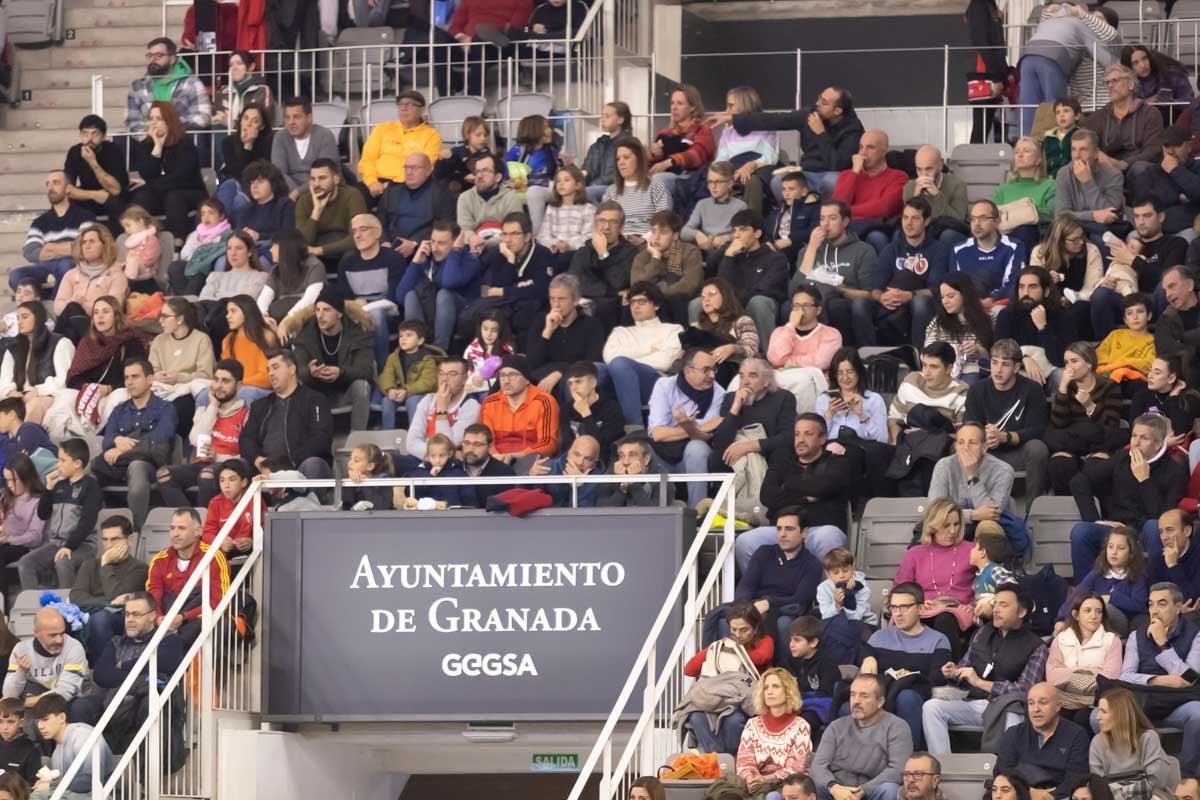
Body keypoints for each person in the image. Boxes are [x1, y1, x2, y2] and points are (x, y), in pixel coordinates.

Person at [921, 583, 1048, 755]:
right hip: (974, 703)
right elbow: (965, 667)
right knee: (932, 707)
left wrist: (981, 683)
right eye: (995, 604)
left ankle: (1007, 772)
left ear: (1021, 612)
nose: (996, 609)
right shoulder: (983, 633)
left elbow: (1026, 689)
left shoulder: (1036, 646)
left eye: (1003, 605)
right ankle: (943, 767)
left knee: (1014, 711)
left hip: (1006, 707)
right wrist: (954, 672)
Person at [1068, 415, 1188, 581]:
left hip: (1148, 531)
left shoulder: (1175, 470)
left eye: (1144, 438)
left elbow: (1164, 518)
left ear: (1158, 444)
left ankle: (1156, 589)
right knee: (1081, 531)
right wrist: (1095, 520)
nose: (1136, 442)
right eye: (1134, 436)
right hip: (1118, 528)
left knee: (1154, 527)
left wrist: (1145, 481)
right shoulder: (1122, 458)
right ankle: (1085, 595)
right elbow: (1079, 481)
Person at [735, 415, 852, 571]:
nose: (801, 439)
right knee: (745, 541)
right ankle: (764, 592)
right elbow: (768, 496)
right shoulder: (783, 463)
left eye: (808, 434)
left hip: (819, 529)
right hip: (782, 531)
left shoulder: (837, 462)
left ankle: (824, 594)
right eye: (797, 434)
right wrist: (806, 496)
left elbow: (823, 487)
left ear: (822, 438)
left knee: (828, 537)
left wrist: (787, 487)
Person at [713, 84, 862, 201]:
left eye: (824, 103)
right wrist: (734, 119)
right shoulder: (810, 114)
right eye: (819, 98)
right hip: (807, 171)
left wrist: (821, 134)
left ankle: (827, 219)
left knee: (832, 183)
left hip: (832, 173)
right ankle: (790, 218)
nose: (817, 103)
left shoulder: (853, 130)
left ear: (837, 111)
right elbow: (777, 120)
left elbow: (837, 164)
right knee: (778, 182)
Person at [1111, 582, 1200, 774]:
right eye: (1151, 605)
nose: (1155, 611)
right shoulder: (1137, 635)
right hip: (1143, 703)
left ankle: (1185, 776)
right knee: (1096, 716)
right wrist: (1159, 680)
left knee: (1198, 713)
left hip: (1177, 704)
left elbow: (1191, 678)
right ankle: (1127, 774)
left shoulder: (1196, 635)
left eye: (1161, 604)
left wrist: (1162, 643)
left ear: (1178, 608)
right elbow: (1125, 676)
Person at [69, 591, 183, 734]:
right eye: (127, 614)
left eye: (136, 614)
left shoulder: (169, 640)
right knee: (81, 706)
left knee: (150, 701)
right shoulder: (116, 642)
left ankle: (148, 755)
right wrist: (142, 678)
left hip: (143, 703)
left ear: (152, 616)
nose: (129, 619)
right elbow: (102, 676)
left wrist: (123, 667)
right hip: (113, 704)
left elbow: (164, 664)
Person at [860, 583, 953, 751]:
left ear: (921, 608)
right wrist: (868, 657)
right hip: (882, 692)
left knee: (906, 697)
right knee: (851, 702)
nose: (898, 613)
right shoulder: (879, 637)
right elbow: (864, 662)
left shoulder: (938, 640)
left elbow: (936, 679)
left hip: (916, 694)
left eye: (904, 607)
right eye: (894, 607)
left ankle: (909, 756)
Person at [964, 339, 1051, 513]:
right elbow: (970, 425)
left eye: (1005, 364)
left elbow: (1037, 430)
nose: (998, 369)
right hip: (985, 452)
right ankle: (968, 509)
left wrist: (1005, 437)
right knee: (959, 447)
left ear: (1017, 367)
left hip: (1016, 452)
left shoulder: (1032, 389)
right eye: (994, 363)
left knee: (1038, 448)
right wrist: (984, 439)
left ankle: (1032, 511)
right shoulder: (977, 390)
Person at [91, 360, 177, 532]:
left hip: (150, 465)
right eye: (126, 378)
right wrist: (116, 440)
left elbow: (159, 438)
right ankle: (89, 528)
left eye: (135, 376)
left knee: (137, 466)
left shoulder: (165, 408)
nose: (129, 382)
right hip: (119, 465)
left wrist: (124, 446)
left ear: (150, 379)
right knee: (90, 470)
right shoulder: (119, 410)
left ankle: (134, 531)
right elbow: (107, 440)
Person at [156, 359, 249, 509]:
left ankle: (207, 527)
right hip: (201, 465)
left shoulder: (246, 415)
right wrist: (213, 406)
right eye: (216, 380)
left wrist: (217, 456)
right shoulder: (204, 409)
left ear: (238, 385)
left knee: (206, 475)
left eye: (225, 381)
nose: (218, 385)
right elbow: (195, 439)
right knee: (164, 474)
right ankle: (191, 522)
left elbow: (247, 455)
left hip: (228, 466)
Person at [683, 604, 774, 756]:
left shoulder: (765, 641)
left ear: (756, 628)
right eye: (733, 630)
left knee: (734, 720)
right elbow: (689, 669)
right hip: (717, 700)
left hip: (743, 702)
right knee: (696, 717)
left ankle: (732, 760)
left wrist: (732, 652)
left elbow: (762, 657)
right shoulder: (720, 647)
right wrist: (716, 649)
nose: (738, 635)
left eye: (744, 630)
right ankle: (718, 762)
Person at [735, 505, 825, 655]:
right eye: (779, 529)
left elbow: (800, 599)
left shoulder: (812, 564)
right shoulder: (764, 553)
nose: (782, 534)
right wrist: (743, 609)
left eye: (789, 529)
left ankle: (784, 673)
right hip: (756, 608)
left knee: (783, 624)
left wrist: (769, 603)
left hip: (789, 611)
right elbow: (746, 586)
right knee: (729, 619)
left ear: (804, 533)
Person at [1091, 197, 1186, 340]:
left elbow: (1169, 278)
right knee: (1100, 294)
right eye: (1137, 216)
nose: (1141, 222)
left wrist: (1131, 260)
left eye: (1147, 216)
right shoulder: (1128, 246)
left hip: (1154, 301)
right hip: (1126, 301)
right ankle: (1107, 347)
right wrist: (1106, 282)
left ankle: (1162, 342)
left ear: (1161, 217)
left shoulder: (1176, 243)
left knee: (1165, 286)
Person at [893, 499, 978, 656]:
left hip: (958, 610)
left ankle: (950, 669)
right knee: (913, 618)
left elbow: (988, 581)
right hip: (924, 608)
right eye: (946, 525)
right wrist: (918, 602)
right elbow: (900, 589)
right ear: (933, 526)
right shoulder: (915, 553)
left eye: (956, 524)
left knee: (944, 618)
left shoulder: (972, 550)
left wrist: (974, 605)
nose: (952, 531)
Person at [708, 359, 797, 507]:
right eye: (742, 376)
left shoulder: (783, 398)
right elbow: (720, 442)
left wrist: (751, 446)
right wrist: (735, 407)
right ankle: (723, 506)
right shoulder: (730, 398)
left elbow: (788, 437)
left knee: (783, 453)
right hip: (738, 456)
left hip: (768, 450)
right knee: (716, 457)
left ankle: (768, 506)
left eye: (753, 376)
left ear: (767, 381)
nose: (745, 382)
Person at [810, 674, 911, 800]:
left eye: (864, 696)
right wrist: (834, 788)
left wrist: (862, 790)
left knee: (890, 789)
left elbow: (898, 770)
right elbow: (818, 766)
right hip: (837, 792)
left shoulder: (897, 727)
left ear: (880, 702)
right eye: (853, 694)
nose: (856, 701)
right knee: (811, 787)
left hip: (871, 792)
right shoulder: (836, 727)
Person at [865, 196, 949, 348]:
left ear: (927, 221)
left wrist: (910, 295)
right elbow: (875, 287)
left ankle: (920, 358)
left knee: (920, 302)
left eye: (915, 218)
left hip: (923, 303)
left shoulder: (939, 250)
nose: (909, 223)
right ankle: (870, 357)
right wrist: (882, 297)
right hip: (891, 305)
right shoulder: (891, 249)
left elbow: (938, 289)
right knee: (859, 305)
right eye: (905, 217)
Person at [239, 350, 334, 481]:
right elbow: (246, 439)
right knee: (233, 469)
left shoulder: (315, 400)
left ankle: (309, 502)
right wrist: (258, 460)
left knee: (313, 464)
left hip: (299, 464)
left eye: (276, 367)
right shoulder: (260, 406)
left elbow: (321, 438)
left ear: (291, 369)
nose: (271, 373)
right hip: (266, 468)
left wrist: (288, 463)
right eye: (268, 369)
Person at [647, 348, 725, 508]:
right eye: (706, 370)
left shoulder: (719, 393)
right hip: (662, 454)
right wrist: (692, 428)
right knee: (638, 448)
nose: (712, 375)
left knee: (696, 447)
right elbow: (658, 434)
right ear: (688, 371)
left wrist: (692, 428)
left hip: (692, 458)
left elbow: (706, 437)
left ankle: (697, 511)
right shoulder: (665, 386)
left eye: (714, 369)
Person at [17, 440, 99, 590]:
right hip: (56, 543)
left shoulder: (90, 485)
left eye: (62, 460)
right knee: (25, 563)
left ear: (77, 463)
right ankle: (35, 608)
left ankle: (68, 607)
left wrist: (69, 546)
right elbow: (43, 514)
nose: (58, 464)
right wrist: (48, 489)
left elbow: (87, 522)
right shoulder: (59, 485)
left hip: (83, 545)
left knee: (62, 562)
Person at [291, 287, 376, 432]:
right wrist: (310, 372)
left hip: (346, 390)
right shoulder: (305, 334)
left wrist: (341, 372)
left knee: (362, 386)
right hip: (318, 391)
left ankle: (356, 439)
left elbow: (366, 370)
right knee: (298, 387)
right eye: (317, 310)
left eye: (326, 310)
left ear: (339, 313)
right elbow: (299, 370)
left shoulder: (357, 334)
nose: (320, 315)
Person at [1045, 342, 1124, 495]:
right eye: (1066, 363)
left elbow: (1110, 426)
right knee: (1059, 463)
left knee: (1098, 462)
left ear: (1089, 363)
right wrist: (1062, 389)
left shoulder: (1109, 386)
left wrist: (1089, 406)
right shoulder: (1066, 387)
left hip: (1099, 442)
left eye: (1074, 361)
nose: (1069, 367)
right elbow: (1058, 423)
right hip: (1071, 443)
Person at [796, 200, 879, 345]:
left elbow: (870, 294)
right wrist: (811, 248)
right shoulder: (809, 250)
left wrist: (841, 290)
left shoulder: (863, 250)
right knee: (788, 307)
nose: (825, 224)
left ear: (845, 222)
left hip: (846, 301)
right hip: (813, 303)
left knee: (835, 304)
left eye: (832, 218)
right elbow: (796, 286)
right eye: (822, 218)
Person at [603, 282, 684, 427]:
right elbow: (609, 357)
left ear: (656, 305)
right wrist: (649, 350)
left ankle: (635, 429)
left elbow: (666, 361)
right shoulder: (620, 332)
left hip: (655, 382)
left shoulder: (672, 330)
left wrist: (628, 362)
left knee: (621, 364)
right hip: (621, 376)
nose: (635, 306)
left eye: (642, 302)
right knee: (593, 369)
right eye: (632, 302)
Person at [69, 515, 149, 664]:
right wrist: (109, 602)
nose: (109, 545)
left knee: (100, 619)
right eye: (105, 540)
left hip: (123, 618)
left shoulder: (140, 568)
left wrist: (106, 565)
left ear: (130, 539)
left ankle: (105, 668)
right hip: (91, 616)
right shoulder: (89, 565)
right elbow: (76, 596)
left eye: (115, 539)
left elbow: (117, 594)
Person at [147, 507, 230, 647]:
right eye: (172, 528)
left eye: (181, 528)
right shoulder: (159, 560)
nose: (175, 534)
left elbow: (220, 602)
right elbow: (153, 596)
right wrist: (159, 618)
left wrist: (184, 616)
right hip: (166, 619)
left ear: (198, 531)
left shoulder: (214, 557)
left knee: (201, 602)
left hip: (196, 619)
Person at [994, 683, 1092, 800]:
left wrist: (1050, 796)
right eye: (1031, 703)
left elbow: (1076, 779)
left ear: (1058, 706)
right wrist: (1029, 792)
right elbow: (1003, 773)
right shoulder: (1014, 733)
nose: (1036, 709)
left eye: (1043, 702)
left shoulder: (1077, 735)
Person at [928, 422, 1019, 545]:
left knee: (987, 527)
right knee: (925, 530)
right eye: (961, 442)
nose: (965, 448)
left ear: (984, 448)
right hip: (950, 526)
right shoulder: (944, 466)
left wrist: (972, 476)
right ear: (956, 446)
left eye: (972, 443)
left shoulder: (1004, 471)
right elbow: (935, 512)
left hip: (984, 529)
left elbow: (991, 515)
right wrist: (973, 515)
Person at [130, 101, 208, 242]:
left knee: (174, 196)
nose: (154, 123)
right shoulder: (145, 145)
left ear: (169, 121)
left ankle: (176, 240)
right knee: (141, 196)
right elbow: (146, 174)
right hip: (160, 193)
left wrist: (151, 184)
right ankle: (139, 238)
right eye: (151, 119)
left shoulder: (184, 143)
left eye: (159, 119)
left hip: (189, 192)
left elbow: (181, 177)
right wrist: (157, 149)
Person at [712, 209, 790, 348]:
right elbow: (722, 287)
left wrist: (737, 300)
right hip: (738, 303)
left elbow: (766, 288)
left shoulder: (775, 258)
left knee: (758, 301)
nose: (736, 235)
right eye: (734, 231)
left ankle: (768, 355)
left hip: (764, 305)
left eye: (742, 230)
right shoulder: (733, 258)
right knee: (700, 302)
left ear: (757, 233)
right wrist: (728, 256)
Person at [334, 213, 403, 368]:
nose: (357, 235)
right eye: (354, 231)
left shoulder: (393, 259)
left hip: (387, 313)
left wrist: (365, 305)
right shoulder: (347, 262)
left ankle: (382, 370)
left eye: (363, 229)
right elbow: (345, 298)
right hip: (356, 312)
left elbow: (392, 299)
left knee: (376, 314)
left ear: (377, 232)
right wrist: (356, 306)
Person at [8, 171, 95, 293]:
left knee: (66, 266)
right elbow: (30, 252)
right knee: (15, 275)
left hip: (72, 265)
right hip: (44, 267)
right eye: (48, 184)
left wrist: (49, 247)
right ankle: (42, 302)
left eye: (56, 183)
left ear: (68, 189)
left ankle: (56, 306)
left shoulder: (85, 216)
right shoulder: (39, 222)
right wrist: (68, 247)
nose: (51, 188)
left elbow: (84, 248)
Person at [475, 212, 558, 339]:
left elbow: (541, 291)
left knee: (529, 307)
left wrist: (505, 292)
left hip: (534, 311)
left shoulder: (543, 255)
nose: (507, 239)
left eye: (514, 234)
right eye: (504, 234)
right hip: (508, 308)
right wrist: (510, 260)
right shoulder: (499, 254)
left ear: (527, 236)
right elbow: (496, 291)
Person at [1047, 592, 1123, 723]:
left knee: (1082, 718)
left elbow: (1109, 681)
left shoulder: (1112, 640)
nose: (1094, 616)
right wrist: (1089, 670)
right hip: (1063, 703)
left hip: (1094, 703)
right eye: (1088, 611)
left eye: (1098, 612)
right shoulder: (1060, 639)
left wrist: (1066, 674)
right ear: (1076, 615)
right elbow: (1053, 678)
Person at [1089, 688, 1180, 798]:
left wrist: (1119, 793)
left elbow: (1156, 782)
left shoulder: (1148, 737)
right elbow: (1099, 786)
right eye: (1098, 711)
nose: (1098, 717)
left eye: (1103, 711)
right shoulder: (1097, 742)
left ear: (1120, 714)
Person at [736, 668, 813, 796]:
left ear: (788, 691)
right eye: (766, 688)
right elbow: (744, 762)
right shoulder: (752, 724)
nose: (769, 691)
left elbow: (795, 769)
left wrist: (765, 780)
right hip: (754, 786)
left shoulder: (801, 726)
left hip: (787, 787)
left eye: (776, 686)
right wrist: (751, 779)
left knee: (772, 796)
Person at [832, 129, 908, 254]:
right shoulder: (848, 175)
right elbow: (837, 206)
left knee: (877, 237)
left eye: (870, 148)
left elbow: (885, 208)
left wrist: (847, 211)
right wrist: (855, 172)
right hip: (852, 229)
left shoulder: (899, 176)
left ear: (884, 151)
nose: (863, 153)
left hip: (882, 228)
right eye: (861, 147)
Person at [995, 267, 1075, 384]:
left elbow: (1060, 360)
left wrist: (1043, 328)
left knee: (1063, 376)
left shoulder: (1062, 315)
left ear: (1046, 291)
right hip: (1019, 368)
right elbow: (1000, 352)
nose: (1025, 293)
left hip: (1053, 368)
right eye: (1021, 287)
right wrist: (1024, 359)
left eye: (1032, 287)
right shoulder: (1007, 315)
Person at [358, 90, 442, 200]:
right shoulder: (382, 129)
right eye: (400, 104)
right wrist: (372, 182)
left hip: (408, 183)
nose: (403, 108)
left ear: (422, 109)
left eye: (409, 104)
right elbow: (367, 159)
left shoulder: (431, 135)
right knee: (354, 194)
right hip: (375, 182)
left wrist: (392, 185)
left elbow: (426, 165)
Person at [566, 201, 638, 328]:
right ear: (595, 224)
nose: (606, 227)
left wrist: (603, 254)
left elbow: (618, 282)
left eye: (613, 222)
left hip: (612, 310)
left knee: (607, 304)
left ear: (621, 227)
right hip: (590, 303)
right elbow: (575, 283)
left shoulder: (630, 252)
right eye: (602, 221)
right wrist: (613, 292)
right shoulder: (584, 251)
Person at [52, 226, 129, 345]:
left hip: (99, 328)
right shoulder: (71, 274)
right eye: (84, 242)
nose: (86, 246)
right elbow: (57, 307)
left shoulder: (116, 275)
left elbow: (114, 307)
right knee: (72, 310)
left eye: (92, 241)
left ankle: (59, 351)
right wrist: (73, 301)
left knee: (73, 309)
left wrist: (82, 305)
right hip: (72, 324)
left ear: (104, 245)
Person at [1030, 214, 1102, 340]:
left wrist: (1071, 298)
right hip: (1049, 302)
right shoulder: (1040, 253)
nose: (1080, 242)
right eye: (1074, 240)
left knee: (1079, 309)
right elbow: (1033, 286)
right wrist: (1046, 280)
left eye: (1082, 237)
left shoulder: (1091, 250)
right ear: (1060, 241)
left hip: (1078, 302)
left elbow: (1092, 288)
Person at [0, 303, 74, 425]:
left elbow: (64, 379)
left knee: (33, 406)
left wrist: (38, 391)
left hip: (48, 394)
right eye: (17, 318)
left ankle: (25, 441)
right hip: (20, 396)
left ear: (38, 318)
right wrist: (10, 392)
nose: (19, 322)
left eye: (24, 317)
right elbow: (4, 380)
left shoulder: (59, 342)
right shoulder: (13, 347)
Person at [766, 286, 844, 403]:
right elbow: (775, 359)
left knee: (803, 380)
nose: (800, 311)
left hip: (814, 386)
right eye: (796, 306)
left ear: (818, 310)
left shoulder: (831, 334)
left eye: (806, 306)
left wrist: (787, 362)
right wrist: (791, 326)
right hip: (783, 383)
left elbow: (820, 362)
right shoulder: (780, 332)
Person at [478, 355, 560, 465]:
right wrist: (496, 458)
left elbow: (547, 444)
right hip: (495, 460)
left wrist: (513, 456)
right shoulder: (489, 403)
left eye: (512, 375)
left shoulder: (544, 401)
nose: (506, 381)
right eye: (502, 375)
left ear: (527, 380)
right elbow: (485, 440)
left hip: (532, 461)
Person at [1083, 65, 1165, 172]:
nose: (1110, 85)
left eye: (1115, 80)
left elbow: (1153, 150)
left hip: (1137, 169)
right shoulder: (1098, 117)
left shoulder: (1150, 114)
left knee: (1140, 168)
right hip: (1107, 169)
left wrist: (1124, 164)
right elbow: (1086, 144)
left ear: (1131, 84)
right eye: (1107, 82)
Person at [1, 608, 86, 708]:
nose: (59, 640)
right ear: (36, 633)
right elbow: (9, 696)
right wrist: (21, 672)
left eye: (62, 633)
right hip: (35, 699)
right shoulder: (21, 650)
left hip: (67, 702)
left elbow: (65, 692)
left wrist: (24, 703)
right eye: (52, 635)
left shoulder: (73, 647)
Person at [1055, 130, 1127, 249]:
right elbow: (1060, 215)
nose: (1077, 155)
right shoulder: (1064, 174)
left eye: (1083, 149)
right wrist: (1092, 215)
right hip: (1072, 230)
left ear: (1096, 153)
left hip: (1103, 231)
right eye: (1073, 149)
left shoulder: (1114, 175)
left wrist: (1087, 182)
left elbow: (1110, 215)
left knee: (1099, 239)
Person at [630, 210, 704, 324]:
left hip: (678, 300)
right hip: (652, 300)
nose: (656, 237)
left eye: (663, 232)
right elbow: (636, 284)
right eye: (653, 231)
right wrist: (655, 259)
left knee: (677, 298)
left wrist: (657, 291)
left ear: (675, 236)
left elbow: (689, 285)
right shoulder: (643, 254)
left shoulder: (690, 251)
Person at [31, 693, 113, 797]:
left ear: (62, 717)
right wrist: (45, 783)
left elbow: (91, 780)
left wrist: (51, 785)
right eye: (38, 721)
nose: (40, 726)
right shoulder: (56, 752)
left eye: (45, 719)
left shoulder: (82, 735)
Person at [125, 36, 210, 134]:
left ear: (172, 59)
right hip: (148, 141)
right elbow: (132, 121)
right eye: (150, 55)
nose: (153, 59)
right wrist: (152, 134)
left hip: (182, 138)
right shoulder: (137, 86)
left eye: (159, 55)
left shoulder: (192, 83)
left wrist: (170, 128)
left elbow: (203, 116)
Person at [887, 342, 969, 444]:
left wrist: (926, 435)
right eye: (924, 365)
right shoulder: (911, 382)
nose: (926, 372)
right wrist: (896, 445)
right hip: (907, 446)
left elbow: (964, 436)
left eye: (933, 367)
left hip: (941, 450)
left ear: (949, 369)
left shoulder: (961, 393)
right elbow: (894, 418)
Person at [376, 153, 456, 251]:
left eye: (414, 168)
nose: (409, 172)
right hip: (391, 248)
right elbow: (379, 222)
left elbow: (445, 226)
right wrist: (384, 242)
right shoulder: (392, 191)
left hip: (424, 249)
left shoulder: (441, 194)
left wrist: (415, 243)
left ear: (428, 170)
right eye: (406, 167)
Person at [951, 200, 1026, 304]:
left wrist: (991, 300)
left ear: (997, 221)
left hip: (1001, 305)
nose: (976, 224)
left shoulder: (1014, 246)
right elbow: (954, 285)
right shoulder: (958, 249)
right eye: (973, 219)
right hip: (968, 306)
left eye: (983, 218)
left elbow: (1015, 284)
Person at [405, 356, 480, 459]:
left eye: (452, 374)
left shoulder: (471, 405)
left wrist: (441, 410)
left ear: (465, 379)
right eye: (441, 374)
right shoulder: (428, 400)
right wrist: (436, 457)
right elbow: (411, 443)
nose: (445, 379)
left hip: (450, 466)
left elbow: (450, 444)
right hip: (426, 458)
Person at [297, 159, 370, 265]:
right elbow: (302, 242)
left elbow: (357, 237)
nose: (316, 184)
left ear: (336, 179)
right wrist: (317, 211)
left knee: (351, 256)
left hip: (344, 248)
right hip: (315, 251)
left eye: (322, 178)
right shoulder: (303, 201)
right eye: (313, 179)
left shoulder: (352, 196)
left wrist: (321, 250)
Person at [646, 85, 715, 196]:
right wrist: (655, 155)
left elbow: (698, 155)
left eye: (680, 103)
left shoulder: (702, 129)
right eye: (672, 103)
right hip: (666, 176)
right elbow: (652, 164)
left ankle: (663, 213)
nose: (674, 107)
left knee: (659, 180)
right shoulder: (665, 133)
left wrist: (668, 162)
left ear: (692, 107)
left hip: (692, 177)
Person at [925, 274, 994, 384]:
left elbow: (996, 355)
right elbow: (927, 350)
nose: (945, 301)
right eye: (943, 297)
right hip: (942, 370)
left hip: (973, 369)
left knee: (969, 380)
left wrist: (977, 349)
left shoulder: (989, 319)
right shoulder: (938, 321)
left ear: (965, 295)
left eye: (950, 296)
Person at [692, 277, 760, 387]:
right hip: (701, 370)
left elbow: (752, 350)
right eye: (703, 296)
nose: (706, 299)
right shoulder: (697, 326)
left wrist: (733, 348)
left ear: (725, 296)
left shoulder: (742, 321)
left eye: (712, 294)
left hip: (732, 372)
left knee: (720, 366)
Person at [64, 114, 129, 229]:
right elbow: (68, 189)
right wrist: (94, 195)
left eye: (95, 134)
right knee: (65, 201)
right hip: (89, 197)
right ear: (80, 135)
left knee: (114, 202)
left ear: (103, 136)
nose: (89, 139)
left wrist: (93, 163)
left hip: (112, 198)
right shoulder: (74, 152)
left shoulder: (113, 150)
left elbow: (116, 190)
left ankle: (116, 242)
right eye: (85, 133)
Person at [993, 137, 1056, 255]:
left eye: (1026, 151)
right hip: (1003, 238)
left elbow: (1050, 215)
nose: (1020, 155)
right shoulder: (1002, 189)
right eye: (1017, 152)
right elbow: (994, 216)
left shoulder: (1050, 186)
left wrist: (1012, 213)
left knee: (1025, 229)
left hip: (1035, 237)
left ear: (1039, 160)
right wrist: (1027, 210)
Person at [682, 161, 749, 273]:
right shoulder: (702, 204)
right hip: (704, 247)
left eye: (718, 182)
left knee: (721, 252)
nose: (713, 187)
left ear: (730, 183)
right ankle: (672, 285)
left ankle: (706, 275)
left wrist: (727, 238)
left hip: (725, 249)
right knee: (676, 248)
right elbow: (684, 231)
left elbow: (745, 234)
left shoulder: (740, 206)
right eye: (710, 182)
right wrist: (698, 234)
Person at [603, 139, 672, 244]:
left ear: (639, 159)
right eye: (618, 159)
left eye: (626, 157)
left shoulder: (656, 186)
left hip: (647, 242)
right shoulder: (611, 191)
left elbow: (664, 220)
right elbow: (603, 222)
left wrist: (644, 239)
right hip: (618, 242)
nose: (621, 162)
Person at [271, 97, 341, 201]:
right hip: (289, 194)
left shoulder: (325, 136)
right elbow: (279, 172)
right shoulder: (280, 137)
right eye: (287, 117)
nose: (291, 122)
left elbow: (325, 174)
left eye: (296, 117)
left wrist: (298, 192)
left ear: (309, 118)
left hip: (323, 192)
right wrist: (294, 192)